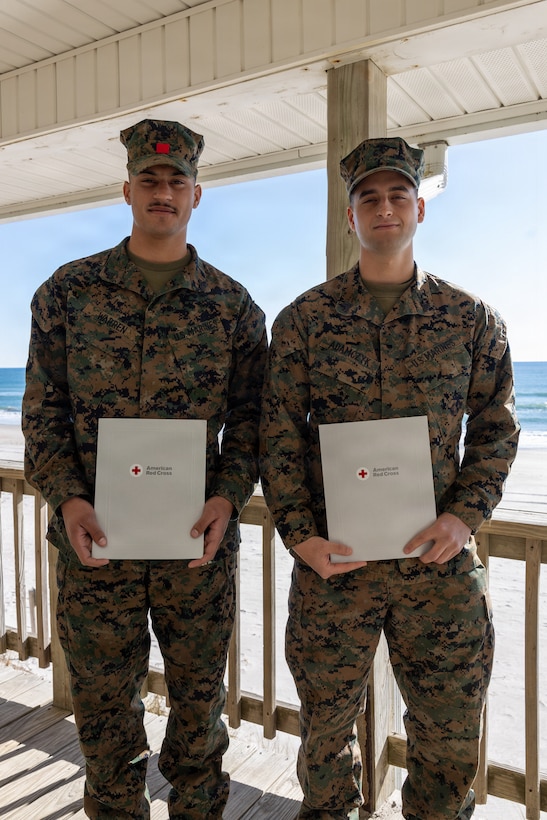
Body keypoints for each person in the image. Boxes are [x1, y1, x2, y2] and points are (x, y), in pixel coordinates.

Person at [259, 137, 520, 820]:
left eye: (397, 195)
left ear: (417, 211)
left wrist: (463, 516)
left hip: (435, 568)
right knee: (323, 739)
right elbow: (277, 434)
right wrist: (300, 538)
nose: (383, 208)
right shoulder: (304, 322)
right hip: (332, 567)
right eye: (367, 198)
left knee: (447, 742)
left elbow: (496, 428)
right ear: (349, 216)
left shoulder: (469, 320)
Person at [22, 118, 267, 819]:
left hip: (196, 548)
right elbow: (43, 415)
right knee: (103, 720)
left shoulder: (232, 307)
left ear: (197, 195)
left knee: (198, 714)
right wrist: (68, 500)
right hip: (95, 545)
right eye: (150, 181)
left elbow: (252, 423)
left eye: (176, 182)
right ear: (127, 189)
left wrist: (227, 498)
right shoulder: (67, 293)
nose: (163, 192)